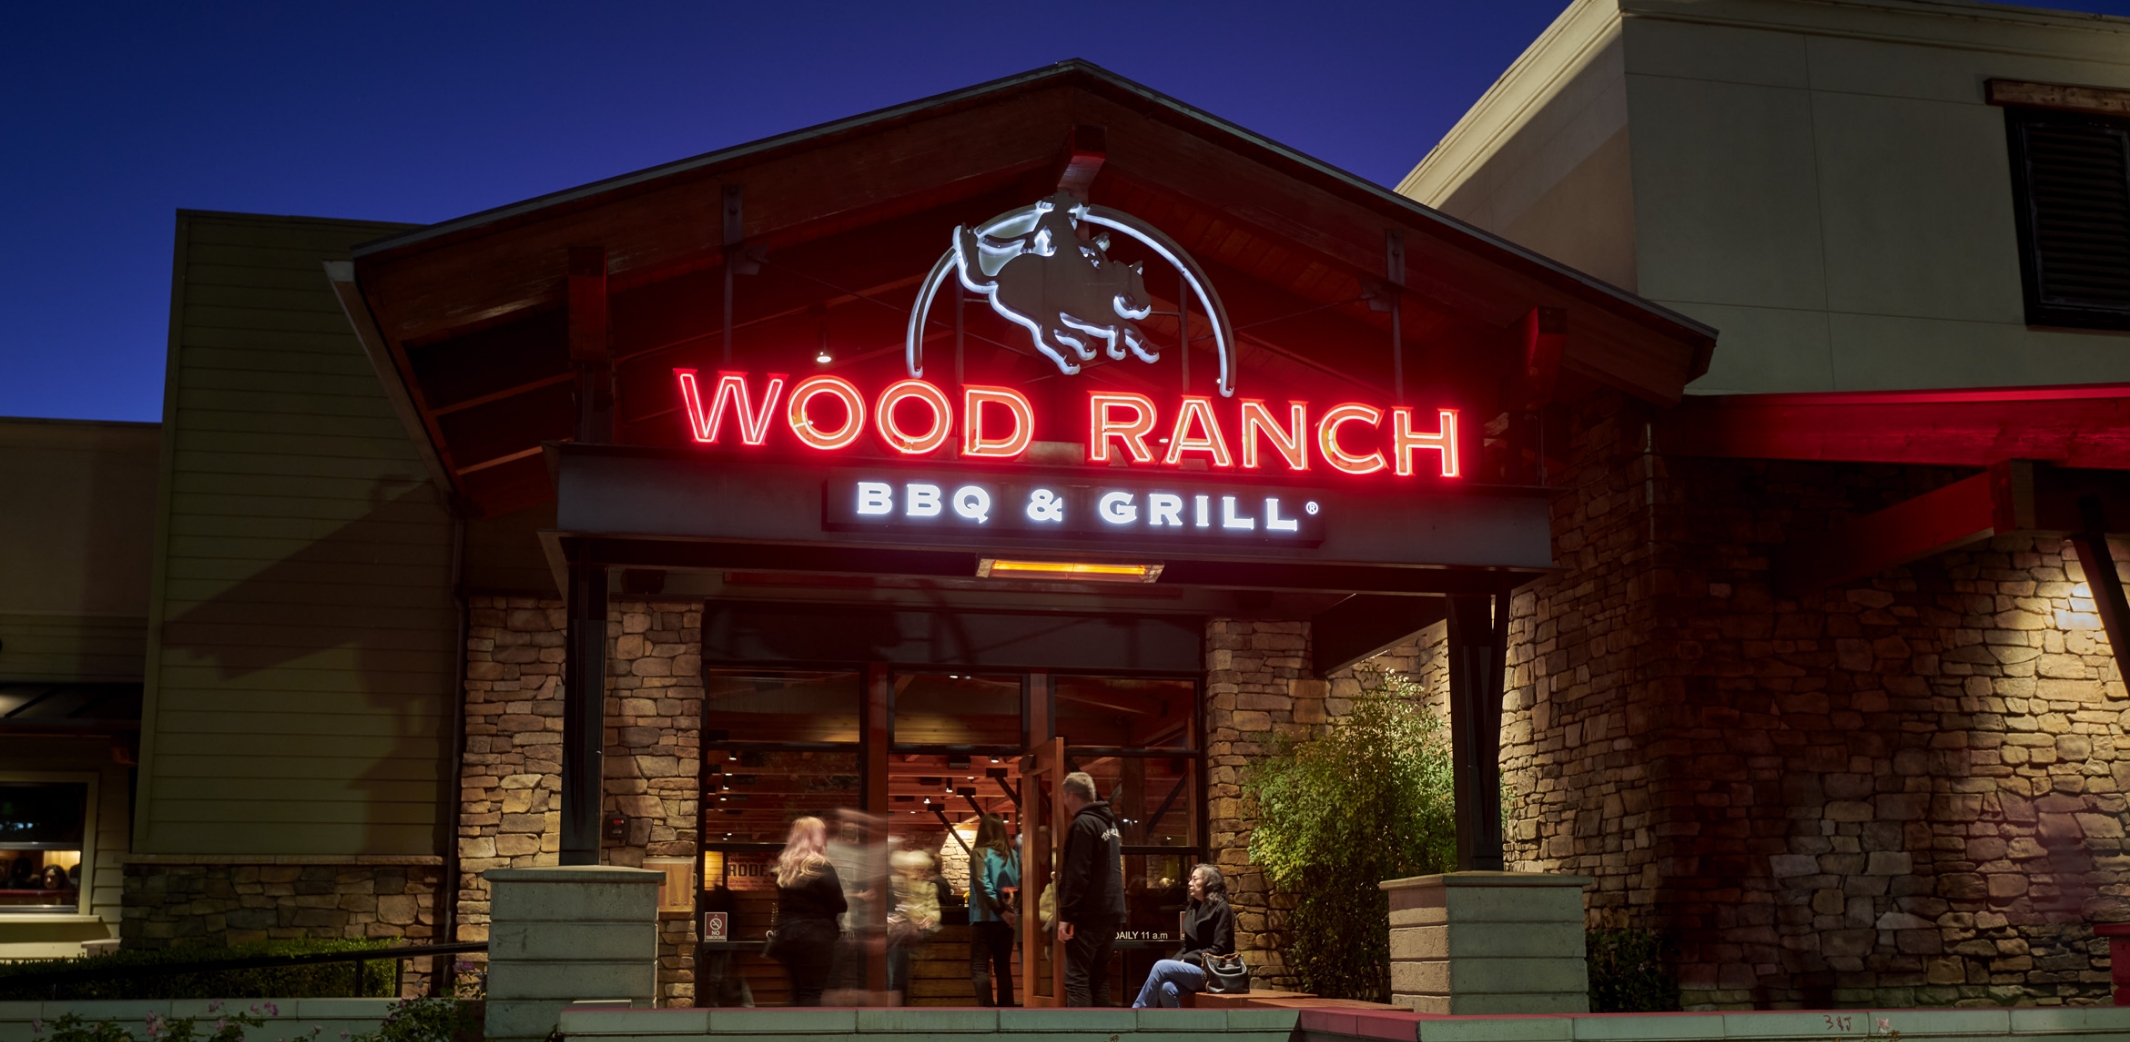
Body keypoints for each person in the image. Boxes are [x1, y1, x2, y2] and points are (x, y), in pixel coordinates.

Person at [1056, 771, 1126, 1007]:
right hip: (1112, 912)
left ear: (1072, 795)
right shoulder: (1109, 823)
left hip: (1089, 915)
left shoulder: (1083, 824)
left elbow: (1078, 873)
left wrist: (1066, 914)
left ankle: (1081, 1028)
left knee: (1077, 979)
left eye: (1064, 796)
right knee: (1099, 978)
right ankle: (1103, 1028)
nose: (1064, 802)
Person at [1132, 864, 1237, 1009]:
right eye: (1190, 879)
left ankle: (1138, 1011)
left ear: (1209, 882)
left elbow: (1219, 949)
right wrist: (1176, 963)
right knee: (1166, 988)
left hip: (1214, 972)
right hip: (1194, 969)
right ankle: (1178, 1024)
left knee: (1160, 966)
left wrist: (1187, 959)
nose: (1190, 883)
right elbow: (1186, 947)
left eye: (1195, 879)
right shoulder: (1192, 909)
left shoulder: (1222, 908)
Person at [770, 816, 846, 1006]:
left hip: (786, 934)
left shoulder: (785, 868)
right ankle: (809, 1026)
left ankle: (792, 1025)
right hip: (815, 937)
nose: (825, 837)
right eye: (821, 832)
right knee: (811, 993)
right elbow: (840, 904)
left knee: (795, 992)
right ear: (814, 837)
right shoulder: (821, 867)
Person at [968, 814, 1020, 1006]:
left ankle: (987, 1012)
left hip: (985, 917)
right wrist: (1009, 912)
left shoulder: (979, 853)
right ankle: (1007, 1011)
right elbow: (1017, 885)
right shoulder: (1012, 855)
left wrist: (1000, 910)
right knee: (1003, 967)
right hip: (1007, 921)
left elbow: (982, 883)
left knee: (979, 966)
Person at [885, 847, 941, 1001]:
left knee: (902, 972)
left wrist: (931, 917)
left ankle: (896, 995)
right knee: (895, 969)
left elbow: (934, 909)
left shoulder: (930, 887)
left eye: (924, 870)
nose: (922, 873)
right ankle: (893, 995)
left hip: (916, 934)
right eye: (918, 869)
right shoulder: (899, 885)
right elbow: (898, 909)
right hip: (901, 933)